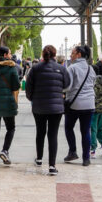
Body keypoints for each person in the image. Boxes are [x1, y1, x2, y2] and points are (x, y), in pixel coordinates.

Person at [25, 45, 70, 176]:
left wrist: (32, 98)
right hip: (56, 107)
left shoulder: (35, 68)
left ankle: (39, 159)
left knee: (40, 132)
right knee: (53, 134)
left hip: (39, 106)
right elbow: (67, 85)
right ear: (54, 54)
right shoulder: (61, 69)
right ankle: (52, 166)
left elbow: (28, 87)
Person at [63, 44, 96, 166]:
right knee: (85, 131)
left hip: (75, 104)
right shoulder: (90, 68)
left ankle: (72, 152)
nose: (70, 55)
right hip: (90, 103)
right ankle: (86, 158)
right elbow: (93, 83)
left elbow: (67, 87)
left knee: (68, 127)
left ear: (79, 54)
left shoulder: (72, 68)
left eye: (72, 53)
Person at [90, 72, 102, 159]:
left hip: (94, 111)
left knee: (93, 129)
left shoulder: (94, 88)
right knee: (100, 127)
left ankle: (92, 149)